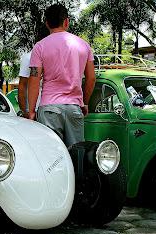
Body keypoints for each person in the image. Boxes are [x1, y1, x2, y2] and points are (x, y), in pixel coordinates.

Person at [27, 3, 96, 147]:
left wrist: (32, 110)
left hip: (49, 109)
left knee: (50, 156)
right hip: (74, 108)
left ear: (47, 23)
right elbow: (91, 79)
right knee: (77, 156)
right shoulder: (84, 45)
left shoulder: (40, 47)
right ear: (66, 21)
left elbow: (34, 79)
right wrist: (85, 103)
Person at [18, 25, 49, 116]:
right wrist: (25, 111)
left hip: (50, 108)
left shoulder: (54, 57)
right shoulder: (28, 58)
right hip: (33, 110)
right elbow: (22, 86)